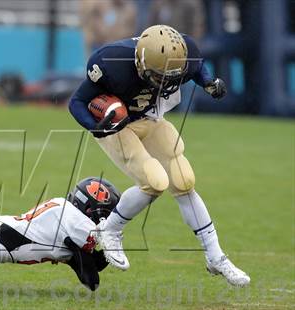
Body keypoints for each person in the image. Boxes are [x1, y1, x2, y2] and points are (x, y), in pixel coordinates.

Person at [68, 25, 250, 287]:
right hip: (118, 125)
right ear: (141, 63)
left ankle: (216, 256)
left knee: (184, 180)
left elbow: (197, 69)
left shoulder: (183, 56)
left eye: (171, 77)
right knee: (155, 181)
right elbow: (76, 101)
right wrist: (96, 126)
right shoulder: (111, 62)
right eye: (159, 76)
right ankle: (110, 229)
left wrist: (209, 83)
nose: (166, 83)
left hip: (150, 118)